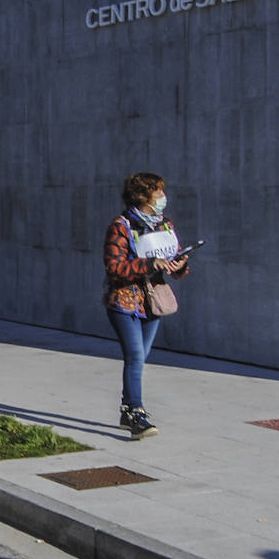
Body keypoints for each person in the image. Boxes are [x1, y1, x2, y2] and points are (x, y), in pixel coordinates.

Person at [103, 172, 190, 440]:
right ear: (144, 197)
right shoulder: (121, 226)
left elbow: (174, 265)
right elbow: (114, 267)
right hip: (125, 300)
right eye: (158, 193)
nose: (163, 198)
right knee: (136, 357)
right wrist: (149, 264)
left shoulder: (164, 224)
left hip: (152, 301)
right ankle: (134, 412)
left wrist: (180, 265)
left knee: (140, 358)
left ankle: (128, 410)